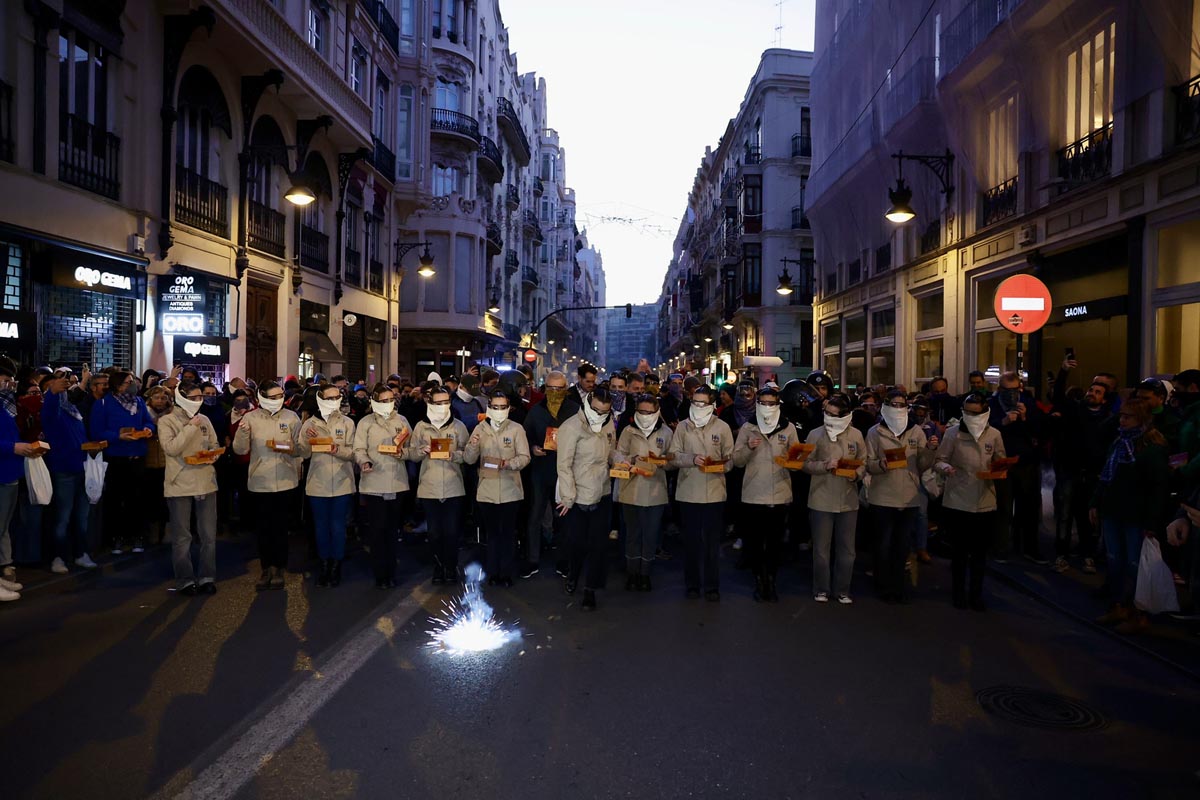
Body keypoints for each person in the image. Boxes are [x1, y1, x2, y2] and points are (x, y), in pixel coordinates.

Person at [1091, 397, 1170, 634]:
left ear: (1142, 419)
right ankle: (1119, 605)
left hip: (1136, 515)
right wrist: (1095, 502)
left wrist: (1152, 522)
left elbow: (1158, 488)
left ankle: (1138, 613)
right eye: (1121, 416)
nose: (1122, 421)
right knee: (1115, 561)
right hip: (1113, 511)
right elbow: (1106, 475)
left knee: (1136, 565)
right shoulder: (1119, 442)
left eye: (1128, 417)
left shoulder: (1152, 449)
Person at [935, 392, 1007, 611]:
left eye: (976, 413)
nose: (972, 417)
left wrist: (1000, 469)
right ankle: (958, 593)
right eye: (968, 412)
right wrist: (946, 468)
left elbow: (1000, 460)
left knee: (979, 553)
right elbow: (939, 460)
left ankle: (976, 594)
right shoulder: (953, 434)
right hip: (958, 499)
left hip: (985, 499)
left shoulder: (994, 434)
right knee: (959, 552)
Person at [866, 391, 937, 603]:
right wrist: (880, 464)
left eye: (901, 404)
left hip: (909, 496)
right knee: (883, 545)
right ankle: (882, 585)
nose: (898, 408)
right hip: (882, 496)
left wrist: (930, 450)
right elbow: (867, 462)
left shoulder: (916, 432)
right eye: (894, 404)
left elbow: (923, 465)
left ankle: (898, 587)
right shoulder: (875, 432)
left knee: (902, 545)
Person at [667, 385, 734, 601]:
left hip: (714, 492)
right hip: (688, 492)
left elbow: (730, 459)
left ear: (711, 405)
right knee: (691, 542)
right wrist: (692, 459)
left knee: (712, 543)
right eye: (695, 402)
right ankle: (692, 584)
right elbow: (673, 456)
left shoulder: (722, 427)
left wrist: (719, 465)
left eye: (702, 403)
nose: (698, 406)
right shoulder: (683, 427)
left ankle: (712, 586)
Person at [732, 386, 798, 602]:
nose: (767, 407)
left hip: (779, 492)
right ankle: (759, 579)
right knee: (755, 541)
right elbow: (737, 460)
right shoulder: (748, 427)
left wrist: (792, 459)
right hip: (754, 493)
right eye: (763, 403)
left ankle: (771, 579)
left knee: (775, 542)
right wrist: (748, 448)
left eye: (772, 403)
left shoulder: (788, 428)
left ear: (778, 404)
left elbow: (797, 459)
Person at [232, 380, 301, 591]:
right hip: (260, 481)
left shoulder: (291, 417)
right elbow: (240, 450)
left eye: (280, 396)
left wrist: (289, 448)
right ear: (261, 397)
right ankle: (265, 567)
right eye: (272, 397)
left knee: (280, 527)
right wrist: (243, 432)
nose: (277, 400)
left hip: (286, 480)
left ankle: (279, 567)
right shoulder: (250, 418)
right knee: (263, 528)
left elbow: (301, 449)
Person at [1050, 359, 1116, 574]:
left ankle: (1087, 554)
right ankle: (1062, 554)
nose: (1092, 393)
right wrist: (1063, 372)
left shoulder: (1109, 419)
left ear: (1104, 398)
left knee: (1087, 517)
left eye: (1097, 392)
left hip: (1092, 474)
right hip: (1070, 471)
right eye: (1091, 390)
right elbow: (1058, 397)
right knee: (1064, 515)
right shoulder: (1075, 410)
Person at [556, 386, 616, 611]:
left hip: (602, 492)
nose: (600, 415)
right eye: (597, 410)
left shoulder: (608, 424)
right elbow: (563, 465)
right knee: (577, 543)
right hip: (578, 495)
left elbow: (611, 451)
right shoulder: (571, 427)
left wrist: (622, 460)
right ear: (589, 403)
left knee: (599, 545)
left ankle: (590, 589)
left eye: (605, 411)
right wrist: (568, 497)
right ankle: (573, 574)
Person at [158, 382, 221, 595]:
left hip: (205, 480)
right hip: (179, 483)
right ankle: (184, 579)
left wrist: (213, 454)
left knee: (208, 535)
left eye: (200, 397)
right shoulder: (166, 421)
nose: (198, 401)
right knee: (182, 536)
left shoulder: (205, 419)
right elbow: (171, 448)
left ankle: (207, 577)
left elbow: (214, 444)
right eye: (194, 398)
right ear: (182, 398)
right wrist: (191, 426)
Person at [804, 392, 866, 604]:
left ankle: (843, 589)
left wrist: (856, 474)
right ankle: (821, 588)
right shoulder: (815, 434)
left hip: (848, 499)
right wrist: (824, 466)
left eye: (833, 414)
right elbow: (804, 463)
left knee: (847, 550)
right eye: (826, 413)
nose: (828, 417)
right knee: (821, 549)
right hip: (821, 498)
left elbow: (863, 462)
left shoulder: (856, 435)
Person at [464, 390, 530, 587]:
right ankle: (493, 572)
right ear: (489, 407)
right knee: (492, 534)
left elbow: (525, 457)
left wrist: (508, 463)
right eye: (495, 407)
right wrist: (473, 445)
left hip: (510, 489)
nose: (499, 410)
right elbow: (469, 459)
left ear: (508, 408)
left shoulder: (516, 429)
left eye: (503, 407)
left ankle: (506, 572)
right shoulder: (479, 429)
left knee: (508, 533)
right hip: (487, 490)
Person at [296, 382, 357, 588]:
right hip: (317, 482)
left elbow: (353, 453)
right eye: (330, 398)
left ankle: (336, 564)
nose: (334, 401)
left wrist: (335, 449)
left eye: (337, 397)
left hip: (342, 482)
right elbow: (303, 453)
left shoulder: (347, 422)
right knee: (321, 526)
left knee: (338, 526)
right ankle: (324, 564)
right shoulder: (309, 424)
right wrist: (307, 440)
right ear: (320, 399)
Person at [352, 383, 413, 589]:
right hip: (374, 483)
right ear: (375, 401)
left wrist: (403, 453)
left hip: (397, 483)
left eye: (391, 400)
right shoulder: (366, 423)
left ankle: (391, 571)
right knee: (378, 530)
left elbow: (411, 448)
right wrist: (364, 462)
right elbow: (358, 449)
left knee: (393, 530)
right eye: (384, 400)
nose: (388, 403)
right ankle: (380, 574)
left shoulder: (402, 420)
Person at [91, 370, 156, 555]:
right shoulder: (103, 404)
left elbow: (148, 422)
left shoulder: (139, 402)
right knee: (115, 499)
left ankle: (136, 536)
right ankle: (116, 537)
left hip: (137, 456)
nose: (133, 384)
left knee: (137, 499)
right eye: (128, 382)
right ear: (118, 385)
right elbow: (97, 431)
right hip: (116, 457)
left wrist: (148, 429)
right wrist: (118, 436)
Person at [409, 386, 468, 585]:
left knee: (451, 531)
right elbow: (412, 454)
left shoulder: (458, 426)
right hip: (429, 486)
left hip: (453, 486)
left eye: (446, 402)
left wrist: (454, 455)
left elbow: (467, 454)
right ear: (430, 403)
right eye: (438, 403)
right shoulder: (421, 427)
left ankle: (451, 567)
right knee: (434, 532)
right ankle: (438, 566)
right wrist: (422, 450)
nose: (443, 406)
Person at [613, 393, 674, 590]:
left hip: (655, 491)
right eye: (641, 411)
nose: (645, 415)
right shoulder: (628, 430)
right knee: (632, 534)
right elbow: (617, 453)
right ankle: (632, 573)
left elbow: (672, 460)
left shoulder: (666, 432)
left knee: (650, 534)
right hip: (631, 489)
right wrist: (629, 460)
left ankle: (645, 573)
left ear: (657, 412)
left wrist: (662, 462)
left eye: (649, 412)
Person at [41, 374, 97, 574]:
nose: (64, 390)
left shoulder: (73, 411)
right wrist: (53, 393)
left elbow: (80, 437)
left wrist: (91, 446)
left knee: (82, 517)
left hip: (83, 468)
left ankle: (81, 553)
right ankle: (58, 557)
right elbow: (49, 410)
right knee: (62, 517)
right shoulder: (52, 413)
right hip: (63, 470)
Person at [989, 371, 1045, 563]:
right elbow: (985, 429)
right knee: (1002, 508)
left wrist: (1025, 417)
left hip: (1025, 462)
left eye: (1015, 390)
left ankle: (1029, 547)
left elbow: (1040, 429)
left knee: (1028, 507)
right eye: (1007, 390)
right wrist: (1003, 422)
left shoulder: (1028, 403)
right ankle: (1001, 548)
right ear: (1000, 389)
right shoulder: (992, 404)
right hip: (1002, 461)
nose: (1012, 394)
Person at [522, 370, 573, 578]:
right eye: (551, 388)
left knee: (564, 519)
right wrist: (533, 447)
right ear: (545, 389)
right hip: (541, 472)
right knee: (535, 516)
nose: (554, 392)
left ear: (565, 389)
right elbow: (525, 437)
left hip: (565, 473)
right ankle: (532, 560)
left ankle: (564, 560)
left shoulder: (575, 411)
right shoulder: (535, 411)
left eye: (559, 388)